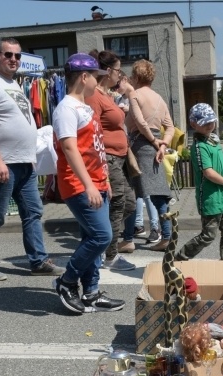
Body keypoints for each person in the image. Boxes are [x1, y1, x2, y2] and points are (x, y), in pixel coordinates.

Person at [0, 37, 64, 281]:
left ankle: (38, 261)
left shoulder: (13, 84)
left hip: (23, 163)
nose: (13, 59)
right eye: (8, 54)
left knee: (33, 212)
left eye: (17, 55)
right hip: (2, 164)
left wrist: (29, 155)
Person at [52, 53, 126, 314]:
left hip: (97, 183)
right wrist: (90, 185)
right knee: (102, 236)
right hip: (79, 185)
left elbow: (95, 150)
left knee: (90, 237)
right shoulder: (66, 109)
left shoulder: (85, 108)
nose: (99, 82)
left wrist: (104, 181)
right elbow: (70, 148)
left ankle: (91, 293)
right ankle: (66, 281)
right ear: (84, 78)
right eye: (96, 77)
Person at [85, 49, 137, 271]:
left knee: (130, 203)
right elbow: (92, 129)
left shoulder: (106, 95)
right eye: (117, 69)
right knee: (118, 203)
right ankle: (110, 256)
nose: (120, 74)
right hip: (107, 158)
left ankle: (101, 240)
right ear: (107, 71)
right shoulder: (94, 96)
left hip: (119, 158)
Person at [175, 103, 223, 261]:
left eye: (212, 121)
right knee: (208, 235)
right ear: (193, 124)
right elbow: (208, 173)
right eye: (205, 122)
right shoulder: (199, 146)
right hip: (210, 199)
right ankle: (180, 258)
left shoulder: (214, 141)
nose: (210, 125)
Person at [125, 59, 175, 251]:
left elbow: (139, 121)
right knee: (159, 195)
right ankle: (167, 236)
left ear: (137, 77)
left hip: (139, 146)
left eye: (132, 75)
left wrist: (155, 143)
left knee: (131, 194)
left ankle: (128, 238)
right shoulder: (159, 99)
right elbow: (170, 127)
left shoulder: (135, 95)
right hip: (155, 148)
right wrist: (162, 146)